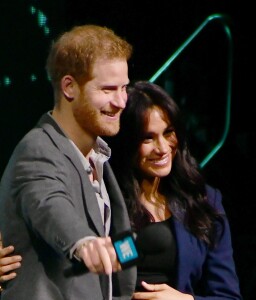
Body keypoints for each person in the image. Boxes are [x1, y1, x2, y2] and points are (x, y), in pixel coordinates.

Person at [0, 25, 136, 300]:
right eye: (108, 89)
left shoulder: (98, 158)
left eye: (124, 88)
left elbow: (116, 241)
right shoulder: (37, 149)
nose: (121, 101)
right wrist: (82, 242)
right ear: (69, 87)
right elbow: (49, 202)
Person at [108, 80, 243, 299]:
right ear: (127, 142)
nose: (162, 148)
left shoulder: (205, 201)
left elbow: (227, 295)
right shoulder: (103, 198)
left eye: (168, 132)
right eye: (148, 138)